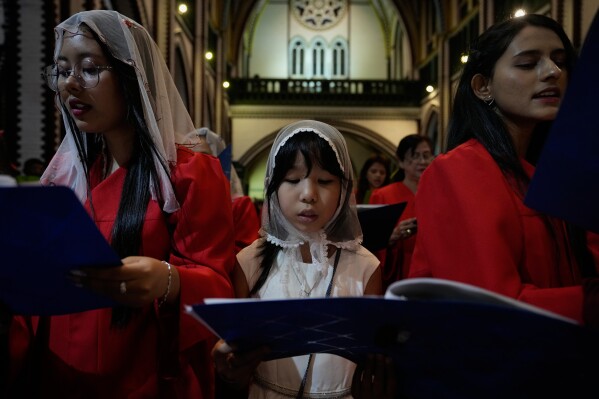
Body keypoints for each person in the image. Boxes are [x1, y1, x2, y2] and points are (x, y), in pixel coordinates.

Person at [7, 10, 235, 398]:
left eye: (90, 68)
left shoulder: (188, 173)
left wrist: (169, 279)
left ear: (133, 76)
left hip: (141, 375)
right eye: (62, 70)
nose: (71, 84)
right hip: (58, 374)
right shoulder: (63, 176)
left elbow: (218, 285)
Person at [409, 14, 599, 327]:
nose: (553, 72)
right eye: (528, 63)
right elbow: (489, 304)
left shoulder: (558, 172)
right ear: (483, 87)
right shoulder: (459, 170)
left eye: (560, 61)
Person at [211, 120, 394, 398]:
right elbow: (235, 355)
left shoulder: (366, 266)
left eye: (324, 181)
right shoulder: (249, 262)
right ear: (273, 186)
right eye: (293, 180)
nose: (308, 195)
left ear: (344, 190)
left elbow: (368, 354)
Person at [369, 134, 433, 288]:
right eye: (415, 156)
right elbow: (370, 244)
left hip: (431, 272)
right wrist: (394, 235)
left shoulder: (438, 194)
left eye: (426, 155)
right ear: (401, 161)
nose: (422, 162)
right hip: (399, 272)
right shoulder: (382, 195)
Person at [185, 127, 261, 254]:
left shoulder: (239, 206)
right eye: (190, 155)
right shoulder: (176, 202)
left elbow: (245, 255)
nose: (195, 162)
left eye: (203, 156)